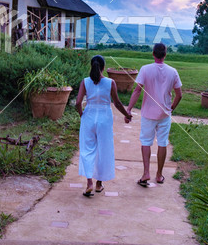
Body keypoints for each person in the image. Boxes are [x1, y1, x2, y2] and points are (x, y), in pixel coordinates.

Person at [126, 43, 182, 186]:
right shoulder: (173, 71)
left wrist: (129, 109)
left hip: (148, 114)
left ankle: (146, 173)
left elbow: (137, 91)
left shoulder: (145, 69)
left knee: (146, 142)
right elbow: (179, 95)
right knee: (162, 143)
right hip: (164, 114)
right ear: (165, 54)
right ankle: (159, 175)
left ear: (153, 54)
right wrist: (172, 108)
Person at [76, 55, 132, 197]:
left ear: (91, 66)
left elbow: (77, 103)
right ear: (103, 67)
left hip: (88, 116)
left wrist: (82, 114)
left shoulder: (85, 82)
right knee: (103, 149)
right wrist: (127, 114)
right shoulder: (110, 82)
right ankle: (99, 184)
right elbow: (117, 103)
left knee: (87, 149)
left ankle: (89, 183)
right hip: (104, 118)